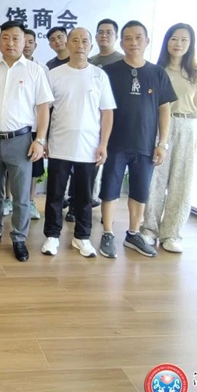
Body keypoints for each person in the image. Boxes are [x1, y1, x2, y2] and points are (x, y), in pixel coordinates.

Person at [0, 21, 53, 262]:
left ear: (24, 41)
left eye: (15, 38)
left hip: (21, 141)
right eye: (5, 38)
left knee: (20, 196)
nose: (10, 43)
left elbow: (43, 108)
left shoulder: (35, 71)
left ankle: (19, 238)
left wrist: (40, 140)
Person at [98, 21, 177, 259]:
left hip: (145, 144)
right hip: (115, 143)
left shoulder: (157, 73)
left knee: (140, 191)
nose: (133, 42)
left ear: (147, 41)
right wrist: (101, 142)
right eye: (128, 38)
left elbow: (164, 109)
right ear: (121, 42)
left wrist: (162, 143)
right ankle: (108, 233)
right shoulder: (108, 71)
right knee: (109, 190)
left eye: (138, 38)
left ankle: (133, 234)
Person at [42, 28, 115, 257]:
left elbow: (107, 112)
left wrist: (103, 144)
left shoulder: (99, 76)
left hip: (89, 147)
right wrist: (43, 139)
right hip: (59, 144)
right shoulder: (54, 74)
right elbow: (44, 110)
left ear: (90, 46)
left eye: (85, 41)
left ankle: (81, 237)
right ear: (68, 44)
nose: (80, 44)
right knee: (55, 194)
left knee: (84, 197)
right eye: (75, 40)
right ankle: (52, 236)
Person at [141, 23, 197, 253]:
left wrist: (181, 121)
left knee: (181, 180)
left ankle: (171, 233)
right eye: (174, 39)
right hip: (159, 126)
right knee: (155, 179)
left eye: (184, 40)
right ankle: (149, 229)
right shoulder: (156, 69)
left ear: (190, 44)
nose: (178, 44)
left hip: (186, 126)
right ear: (166, 41)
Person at [87, 18, 123, 210]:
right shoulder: (90, 62)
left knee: (112, 168)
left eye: (109, 32)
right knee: (91, 163)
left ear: (116, 37)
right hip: (93, 122)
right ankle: (85, 202)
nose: (104, 35)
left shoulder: (123, 61)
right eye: (101, 32)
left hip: (117, 121)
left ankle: (107, 210)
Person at [21, 27, 48, 220]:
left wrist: (42, 136)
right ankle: (8, 199)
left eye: (30, 42)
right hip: (16, 127)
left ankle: (30, 201)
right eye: (24, 41)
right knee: (11, 167)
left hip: (35, 127)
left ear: (35, 45)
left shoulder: (42, 69)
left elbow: (46, 104)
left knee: (33, 168)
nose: (27, 45)